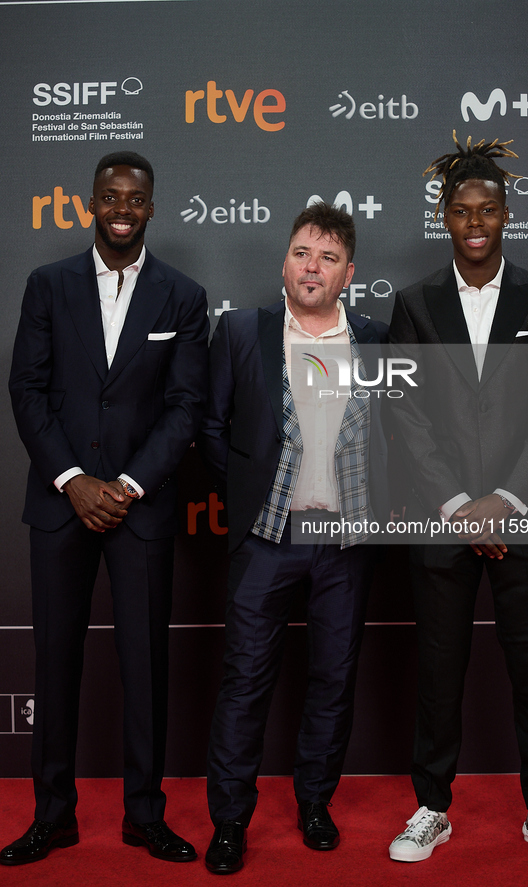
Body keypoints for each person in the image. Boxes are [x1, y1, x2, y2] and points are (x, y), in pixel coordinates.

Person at [387, 133, 528, 865]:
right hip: (440, 519)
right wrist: (455, 505)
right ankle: (430, 808)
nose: (474, 222)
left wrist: (500, 502)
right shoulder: (414, 304)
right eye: (461, 211)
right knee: (438, 668)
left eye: (488, 209)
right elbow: (403, 413)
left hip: (523, 513)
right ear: (444, 217)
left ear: (506, 215)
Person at [3, 152, 209, 866]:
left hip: (138, 508)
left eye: (136, 198)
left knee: (143, 664)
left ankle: (142, 815)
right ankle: (52, 815)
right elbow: (26, 389)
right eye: (110, 195)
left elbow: (186, 405)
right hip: (61, 504)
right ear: (90, 202)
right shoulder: (47, 285)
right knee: (55, 661)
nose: (122, 206)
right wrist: (72, 479)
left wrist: (124, 485)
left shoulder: (182, 295)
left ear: (152, 207)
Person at [201, 202, 388, 874]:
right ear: (285, 262)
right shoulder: (242, 332)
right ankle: (228, 821)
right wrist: (250, 496)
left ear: (348, 274)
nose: (313, 267)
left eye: (328, 257)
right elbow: (212, 427)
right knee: (244, 681)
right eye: (303, 252)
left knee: (333, 680)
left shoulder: (376, 340)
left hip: (344, 542)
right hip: (265, 539)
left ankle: (315, 803)